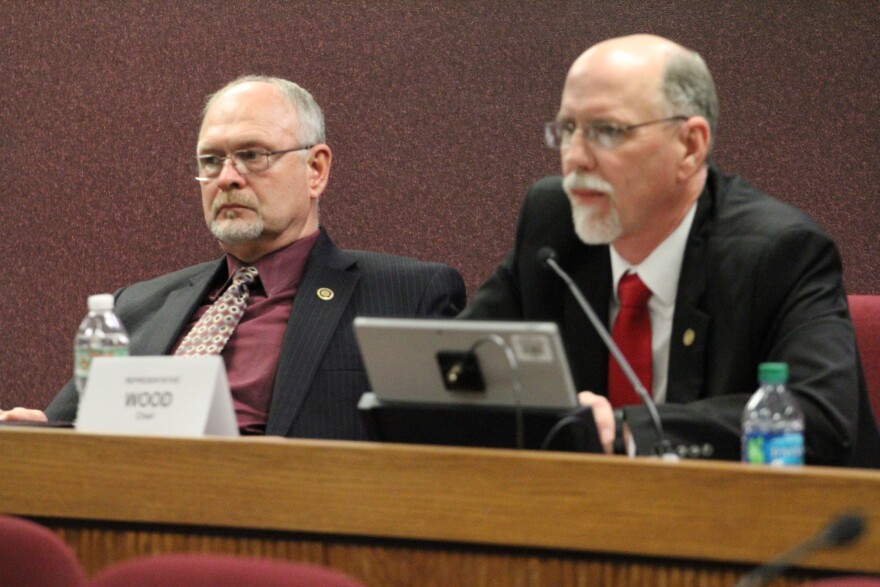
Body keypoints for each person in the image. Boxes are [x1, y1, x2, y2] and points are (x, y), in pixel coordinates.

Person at [460, 34, 879, 467]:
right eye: (567, 130)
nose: (576, 158)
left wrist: (623, 429)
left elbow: (819, 419)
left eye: (606, 132)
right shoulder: (552, 227)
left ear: (690, 147)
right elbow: (453, 372)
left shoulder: (779, 253)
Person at [1, 75, 466, 439]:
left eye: (252, 155)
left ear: (316, 170)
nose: (228, 178)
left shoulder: (405, 295)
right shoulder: (136, 308)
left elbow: (443, 466)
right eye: (211, 161)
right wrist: (34, 433)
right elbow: (66, 432)